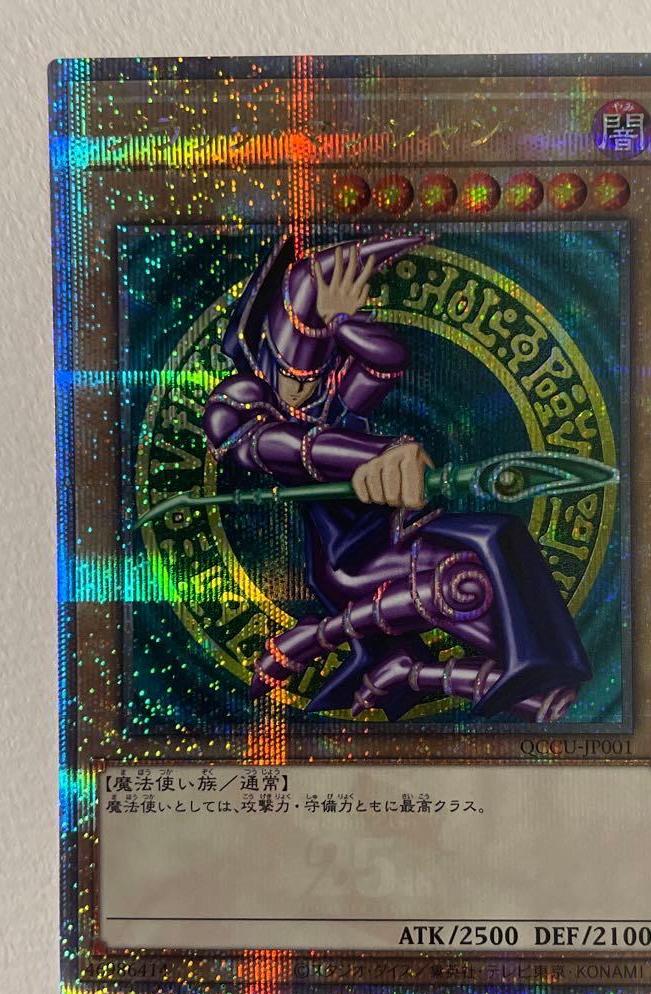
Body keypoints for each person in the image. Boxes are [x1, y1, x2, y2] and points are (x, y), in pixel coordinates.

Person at [204, 233, 590, 722]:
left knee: (493, 553)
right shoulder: (240, 403)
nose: (302, 393)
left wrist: (342, 322)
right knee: (461, 581)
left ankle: (414, 671)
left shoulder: (331, 394)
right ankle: (341, 642)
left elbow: (388, 360)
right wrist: (376, 455)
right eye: (291, 378)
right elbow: (279, 447)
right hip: (347, 560)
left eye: (312, 379)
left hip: (394, 532)